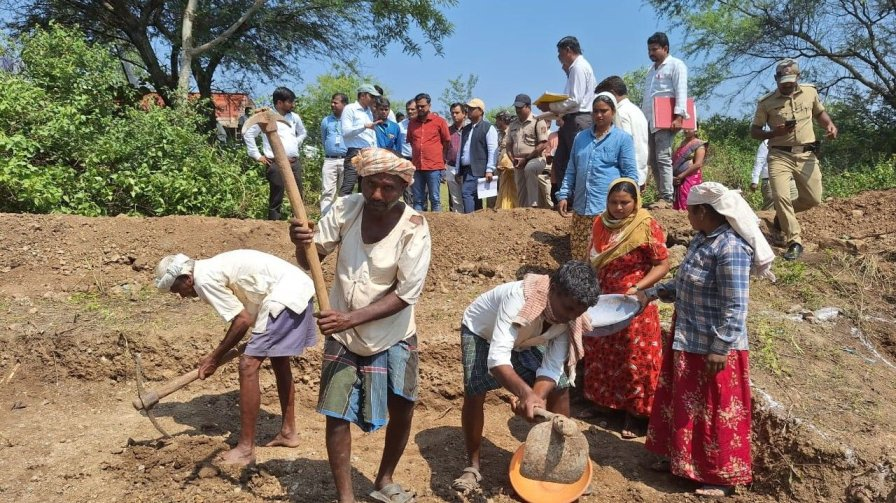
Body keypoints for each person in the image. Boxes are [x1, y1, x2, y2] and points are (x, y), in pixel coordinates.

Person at [289, 148, 431, 503]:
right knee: (336, 412)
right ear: (362, 182)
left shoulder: (414, 227)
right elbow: (311, 258)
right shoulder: (346, 209)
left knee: (403, 405)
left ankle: (384, 478)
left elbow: (405, 295)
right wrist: (300, 244)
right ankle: (346, 498)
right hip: (344, 331)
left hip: (392, 331)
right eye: (371, 185)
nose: (377, 195)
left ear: (403, 187)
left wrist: (349, 317)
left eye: (388, 188)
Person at [638, 182, 775, 498]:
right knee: (685, 405)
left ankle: (719, 476)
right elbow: (685, 282)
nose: (687, 216)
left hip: (714, 346)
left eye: (689, 210)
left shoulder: (730, 248)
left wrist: (720, 346)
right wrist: (653, 293)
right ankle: (681, 462)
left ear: (701, 211)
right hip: (689, 338)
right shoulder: (702, 241)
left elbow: (736, 304)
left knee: (715, 410)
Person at [153, 250, 317, 466]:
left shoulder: (203, 280)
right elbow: (250, 305)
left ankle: (246, 449)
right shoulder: (211, 268)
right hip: (296, 289)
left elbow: (242, 320)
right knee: (279, 360)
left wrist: (214, 357)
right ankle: (288, 432)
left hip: (285, 296)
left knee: (248, 365)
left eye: (177, 290)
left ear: (187, 278)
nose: (181, 296)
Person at [451, 261, 600, 493]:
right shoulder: (518, 299)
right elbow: (498, 358)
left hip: (527, 340)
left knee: (560, 385)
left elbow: (551, 367)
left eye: (577, 312)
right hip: (483, 333)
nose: (570, 316)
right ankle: (473, 466)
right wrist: (525, 393)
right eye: (568, 308)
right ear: (553, 290)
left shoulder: (570, 318)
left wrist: (534, 400)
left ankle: (560, 464)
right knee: (474, 389)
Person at [580, 178, 669, 439]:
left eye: (625, 203)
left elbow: (662, 265)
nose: (619, 208)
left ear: (635, 202)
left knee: (634, 356)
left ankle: (636, 415)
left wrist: (639, 288)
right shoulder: (600, 223)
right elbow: (590, 257)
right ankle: (605, 407)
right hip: (602, 298)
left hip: (634, 302)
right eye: (614, 202)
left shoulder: (646, 225)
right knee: (602, 351)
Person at [750, 58, 838, 261]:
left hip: (806, 154)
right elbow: (754, 132)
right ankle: (794, 241)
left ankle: (781, 218)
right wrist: (773, 132)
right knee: (780, 196)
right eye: (784, 81)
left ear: (798, 77)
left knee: (813, 198)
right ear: (776, 79)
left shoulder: (810, 92)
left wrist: (830, 126)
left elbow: (820, 113)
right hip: (779, 154)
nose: (788, 85)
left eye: (792, 80)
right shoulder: (767, 102)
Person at [557, 93, 638, 261]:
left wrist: (627, 206)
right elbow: (572, 168)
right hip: (581, 210)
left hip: (607, 212)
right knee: (580, 259)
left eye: (604, 111)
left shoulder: (622, 139)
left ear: (613, 112)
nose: (599, 115)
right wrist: (564, 194)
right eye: (595, 111)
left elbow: (630, 176)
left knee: (604, 259)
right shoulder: (581, 138)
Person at [537, 36, 596, 203]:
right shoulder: (574, 69)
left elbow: (575, 99)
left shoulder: (578, 67)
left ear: (568, 50)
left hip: (579, 119)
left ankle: (578, 199)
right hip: (572, 119)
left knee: (576, 159)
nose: (559, 58)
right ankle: (566, 199)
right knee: (562, 159)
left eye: (560, 53)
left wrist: (551, 106)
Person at [243, 86, 307, 220]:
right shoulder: (266, 117)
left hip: (293, 162)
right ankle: (274, 225)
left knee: (297, 193)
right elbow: (248, 134)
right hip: (275, 163)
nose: (293, 105)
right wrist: (256, 155)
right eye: (290, 102)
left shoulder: (294, 117)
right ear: (279, 103)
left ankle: (300, 222)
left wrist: (295, 142)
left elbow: (302, 132)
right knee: (277, 194)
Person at [641, 32, 689, 209]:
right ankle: (662, 195)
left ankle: (667, 197)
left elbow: (681, 91)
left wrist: (678, 117)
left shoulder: (676, 65)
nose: (651, 53)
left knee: (663, 157)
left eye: (654, 49)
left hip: (666, 119)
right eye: (649, 50)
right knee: (652, 159)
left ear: (665, 48)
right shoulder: (650, 70)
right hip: (650, 119)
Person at [596, 76, 649, 188]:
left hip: (625, 177)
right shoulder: (636, 111)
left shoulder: (620, 113)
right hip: (639, 172)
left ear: (612, 93)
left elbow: (621, 147)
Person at [407, 92, 451, 212]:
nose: (420, 109)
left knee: (435, 198)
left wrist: (440, 158)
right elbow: (412, 142)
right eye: (418, 106)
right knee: (417, 199)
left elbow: (446, 141)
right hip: (417, 166)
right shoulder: (412, 123)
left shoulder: (439, 122)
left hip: (433, 166)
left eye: (423, 106)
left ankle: (437, 229)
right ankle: (418, 228)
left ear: (429, 106)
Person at [456, 98, 498, 213]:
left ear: (480, 111)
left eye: (471, 109)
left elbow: (492, 150)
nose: (468, 111)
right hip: (466, 170)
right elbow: (461, 150)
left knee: (467, 192)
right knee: (475, 196)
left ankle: (469, 220)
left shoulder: (488, 128)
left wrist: (490, 169)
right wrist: (457, 169)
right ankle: (477, 225)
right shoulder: (466, 129)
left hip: (479, 169)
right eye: (468, 108)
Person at [507, 93, 550, 208]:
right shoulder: (512, 124)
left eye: (520, 107)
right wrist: (513, 161)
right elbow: (508, 145)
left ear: (528, 107)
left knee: (529, 168)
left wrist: (526, 159)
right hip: (518, 160)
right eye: (516, 107)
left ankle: (533, 206)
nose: (517, 110)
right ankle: (522, 211)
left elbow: (543, 144)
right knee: (520, 186)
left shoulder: (538, 120)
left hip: (536, 158)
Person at [339, 84, 380, 196]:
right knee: (348, 185)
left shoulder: (369, 112)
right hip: (355, 152)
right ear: (362, 95)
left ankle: (361, 213)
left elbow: (371, 134)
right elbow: (346, 132)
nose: (374, 99)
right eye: (371, 96)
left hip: (368, 152)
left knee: (366, 188)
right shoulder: (350, 109)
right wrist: (364, 126)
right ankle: (341, 213)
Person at [750, 139, 798, 211]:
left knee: (794, 205)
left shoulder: (792, 142)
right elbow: (759, 161)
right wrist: (754, 181)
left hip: (790, 180)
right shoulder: (767, 143)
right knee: (770, 208)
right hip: (770, 180)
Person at [320, 93, 348, 214]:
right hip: (329, 160)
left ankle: (341, 220)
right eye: (332, 102)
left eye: (336, 103)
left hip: (346, 160)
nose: (332, 105)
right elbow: (324, 139)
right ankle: (325, 218)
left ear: (344, 105)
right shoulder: (326, 121)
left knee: (344, 193)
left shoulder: (348, 121)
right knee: (327, 191)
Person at [672, 128, 707, 210]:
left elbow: (698, 164)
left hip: (690, 178)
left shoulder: (699, 144)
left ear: (696, 130)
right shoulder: (680, 143)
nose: (686, 131)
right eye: (685, 129)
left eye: (689, 129)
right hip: (677, 179)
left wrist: (681, 176)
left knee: (688, 201)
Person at [445, 102, 469, 213]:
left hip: (466, 168)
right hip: (451, 167)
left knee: (468, 197)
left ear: (464, 114)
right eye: (452, 113)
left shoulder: (470, 130)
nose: (454, 115)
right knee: (455, 200)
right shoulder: (447, 131)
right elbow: (444, 148)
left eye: (457, 113)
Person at [494, 111, 517, 209]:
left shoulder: (512, 132)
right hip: (502, 169)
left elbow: (512, 151)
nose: (496, 122)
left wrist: (507, 165)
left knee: (512, 192)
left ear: (503, 120)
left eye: (498, 120)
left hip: (510, 168)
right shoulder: (500, 134)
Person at [398, 99, 417, 206]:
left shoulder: (422, 125)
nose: (410, 111)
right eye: (408, 109)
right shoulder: (400, 126)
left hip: (419, 161)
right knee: (407, 189)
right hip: (405, 161)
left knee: (421, 190)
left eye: (412, 109)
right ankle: (408, 213)